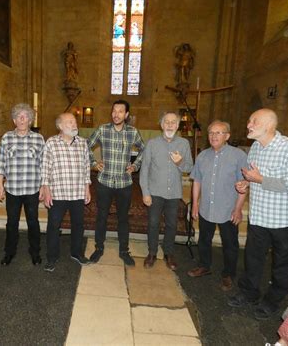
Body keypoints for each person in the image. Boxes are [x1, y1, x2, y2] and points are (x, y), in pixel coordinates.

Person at [228, 108, 288, 320]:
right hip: (260, 216)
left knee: (282, 263)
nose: (248, 124)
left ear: (269, 126)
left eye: (253, 121)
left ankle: (273, 300)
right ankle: (249, 293)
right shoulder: (255, 147)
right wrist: (245, 183)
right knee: (253, 258)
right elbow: (253, 177)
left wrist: (261, 179)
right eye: (249, 120)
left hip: (285, 219)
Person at [187, 120, 247, 291]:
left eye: (218, 132)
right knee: (204, 239)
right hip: (206, 207)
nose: (214, 136)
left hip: (228, 209)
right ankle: (204, 266)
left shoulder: (238, 156)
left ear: (227, 136)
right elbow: (197, 181)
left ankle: (228, 274)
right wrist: (196, 204)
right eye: (211, 132)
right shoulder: (202, 156)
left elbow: (243, 184)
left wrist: (238, 209)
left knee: (230, 244)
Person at [87, 100, 145, 266]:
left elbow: (143, 149)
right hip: (104, 182)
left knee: (123, 219)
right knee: (101, 217)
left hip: (124, 183)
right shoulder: (102, 129)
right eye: (114, 111)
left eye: (120, 111)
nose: (116, 114)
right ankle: (99, 248)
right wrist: (94, 163)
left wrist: (135, 165)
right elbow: (86, 146)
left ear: (126, 115)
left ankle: (124, 251)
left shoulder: (132, 132)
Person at [139, 112, 193, 270]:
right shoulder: (152, 143)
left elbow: (189, 167)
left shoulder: (183, 144)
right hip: (155, 191)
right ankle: (152, 253)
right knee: (153, 223)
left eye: (173, 122)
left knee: (171, 224)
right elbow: (144, 170)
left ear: (177, 125)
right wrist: (145, 192)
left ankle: (169, 253)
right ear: (161, 125)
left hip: (174, 193)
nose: (170, 125)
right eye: (166, 122)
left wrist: (180, 162)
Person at [40, 113, 91, 272]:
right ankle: (52, 257)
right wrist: (46, 189)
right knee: (53, 226)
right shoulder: (51, 143)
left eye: (74, 122)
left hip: (77, 192)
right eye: (69, 122)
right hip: (57, 193)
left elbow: (86, 167)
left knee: (78, 224)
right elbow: (45, 168)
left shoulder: (83, 143)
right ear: (60, 126)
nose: (74, 124)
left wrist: (87, 188)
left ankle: (76, 253)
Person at [0, 103, 45, 266]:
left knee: (33, 223)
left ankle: (35, 253)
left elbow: (43, 165)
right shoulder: (6, 137)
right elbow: (1, 163)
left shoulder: (38, 139)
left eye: (25, 116)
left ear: (30, 120)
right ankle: (9, 253)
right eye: (19, 116)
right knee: (12, 223)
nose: (22, 118)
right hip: (12, 189)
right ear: (14, 120)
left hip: (32, 189)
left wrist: (44, 187)